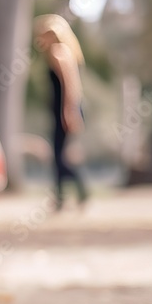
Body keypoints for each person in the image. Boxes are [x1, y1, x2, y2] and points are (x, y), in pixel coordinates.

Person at [34, 14, 88, 209]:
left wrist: (70, 111)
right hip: (63, 110)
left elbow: (71, 85)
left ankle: (74, 193)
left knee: (59, 155)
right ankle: (65, 195)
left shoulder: (59, 52)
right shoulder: (65, 52)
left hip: (64, 110)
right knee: (60, 154)